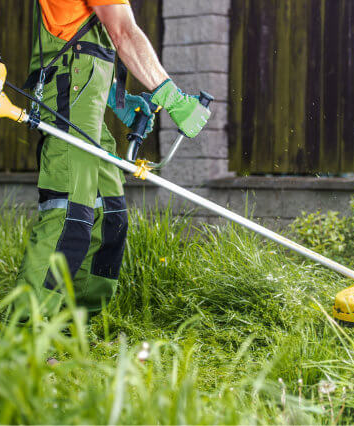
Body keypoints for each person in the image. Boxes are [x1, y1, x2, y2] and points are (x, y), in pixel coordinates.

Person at [14, 0, 211, 317]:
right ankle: (22, 338)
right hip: (70, 95)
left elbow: (79, 38)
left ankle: (73, 325)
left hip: (82, 97)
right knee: (70, 213)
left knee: (109, 214)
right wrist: (172, 97)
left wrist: (115, 98)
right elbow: (123, 33)